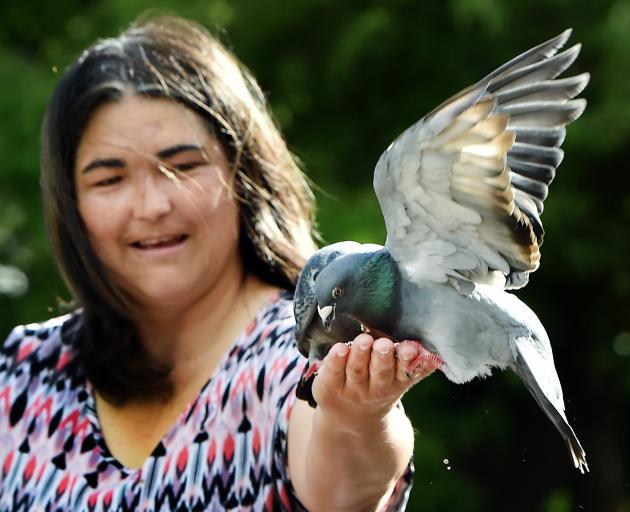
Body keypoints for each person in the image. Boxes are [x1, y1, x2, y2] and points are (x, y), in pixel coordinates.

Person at [0, 15, 435, 511]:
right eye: (109, 179)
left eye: (183, 167)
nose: (150, 206)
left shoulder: (298, 354)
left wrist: (358, 415)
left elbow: (347, 487)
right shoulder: (27, 371)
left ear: (244, 174)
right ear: (71, 204)